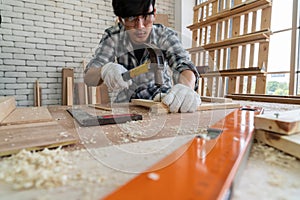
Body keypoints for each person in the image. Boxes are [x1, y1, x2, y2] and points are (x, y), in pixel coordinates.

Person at [84, 0, 201, 113]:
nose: (140, 26)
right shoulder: (113, 36)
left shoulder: (164, 35)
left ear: (154, 13)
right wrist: (104, 70)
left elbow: (184, 65)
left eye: (145, 16)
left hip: (161, 98)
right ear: (121, 20)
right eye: (131, 18)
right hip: (126, 101)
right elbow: (89, 77)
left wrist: (186, 87)